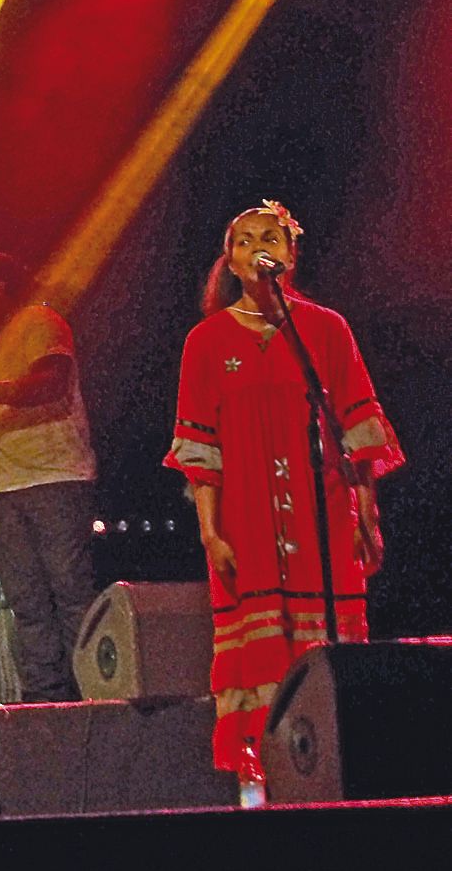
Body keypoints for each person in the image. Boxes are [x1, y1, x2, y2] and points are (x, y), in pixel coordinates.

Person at [164, 201, 402, 785]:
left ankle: (340, 769)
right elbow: (201, 452)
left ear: (290, 254)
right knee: (260, 655)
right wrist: (210, 533)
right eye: (244, 240)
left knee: (330, 648)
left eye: (269, 237)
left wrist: (366, 516)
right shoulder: (206, 341)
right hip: (245, 524)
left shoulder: (326, 329)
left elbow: (357, 429)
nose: (257, 248)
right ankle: (266, 777)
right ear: (230, 261)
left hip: (324, 516)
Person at [0, 251, 98, 702]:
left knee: (71, 596)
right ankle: (45, 704)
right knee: (26, 604)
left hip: (54, 479)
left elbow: (51, 382)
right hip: (0, 487)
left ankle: (92, 699)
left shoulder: (41, 322)